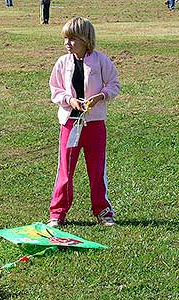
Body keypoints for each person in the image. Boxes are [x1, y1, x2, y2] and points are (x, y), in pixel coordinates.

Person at [47, 17, 120, 227]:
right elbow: (55, 89)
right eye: (65, 39)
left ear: (85, 39)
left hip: (94, 125)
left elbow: (114, 83)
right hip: (70, 124)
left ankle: (103, 212)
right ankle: (57, 213)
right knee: (65, 170)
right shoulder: (62, 63)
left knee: (96, 170)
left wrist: (101, 96)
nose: (67, 44)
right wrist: (69, 100)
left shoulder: (100, 61)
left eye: (72, 39)